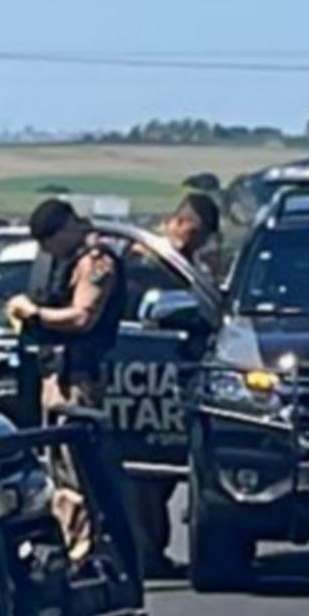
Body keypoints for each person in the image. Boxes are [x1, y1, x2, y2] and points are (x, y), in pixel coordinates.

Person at [6, 199, 130, 562]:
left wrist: (37, 314)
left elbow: (82, 318)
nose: (47, 251)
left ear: (66, 229)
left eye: (49, 240)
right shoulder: (66, 260)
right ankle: (71, 543)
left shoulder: (97, 261)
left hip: (80, 380)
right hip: (55, 375)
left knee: (80, 471)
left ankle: (87, 551)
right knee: (57, 469)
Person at [133, 192, 223, 578]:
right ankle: (145, 554)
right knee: (146, 473)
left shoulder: (187, 265)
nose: (199, 242)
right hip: (144, 376)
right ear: (180, 222)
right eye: (197, 232)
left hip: (179, 375)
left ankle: (150, 551)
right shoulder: (149, 262)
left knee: (163, 475)